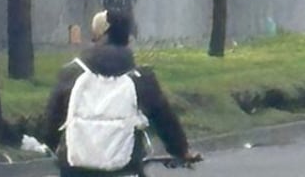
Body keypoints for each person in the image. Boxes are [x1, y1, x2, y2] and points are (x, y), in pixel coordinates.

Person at [44, 9, 198, 175]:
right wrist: (181, 150)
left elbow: (53, 118)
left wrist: (50, 145)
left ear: (99, 36)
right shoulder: (141, 78)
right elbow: (164, 119)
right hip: (124, 168)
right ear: (127, 38)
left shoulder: (72, 73)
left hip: (76, 168)